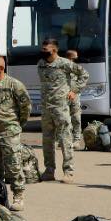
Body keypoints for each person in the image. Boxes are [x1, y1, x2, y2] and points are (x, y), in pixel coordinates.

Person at [0, 55, 31, 211]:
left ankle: (18, 196)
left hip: (9, 133)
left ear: (1, 68)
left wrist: (16, 125)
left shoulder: (14, 85)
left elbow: (25, 107)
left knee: (13, 166)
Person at [37, 38, 82, 184]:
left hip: (60, 108)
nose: (43, 51)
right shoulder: (41, 64)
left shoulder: (64, 63)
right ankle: (49, 170)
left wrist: (74, 90)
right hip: (46, 108)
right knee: (47, 141)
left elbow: (84, 74)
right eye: (42, 48)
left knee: (65, 139)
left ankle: (68, 172)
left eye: (46, 49)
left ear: (54, 50)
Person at [64, 49, 89, 150]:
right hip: (63, 96)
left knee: (76, 117)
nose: (75, 60)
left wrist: (74, 90)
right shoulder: (62, 67)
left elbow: (84, 77)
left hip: (74, 96)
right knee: (64, 118)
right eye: (74, 58)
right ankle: (66, 139)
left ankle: (76, 140)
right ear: (69, 58)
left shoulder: (77, 68)